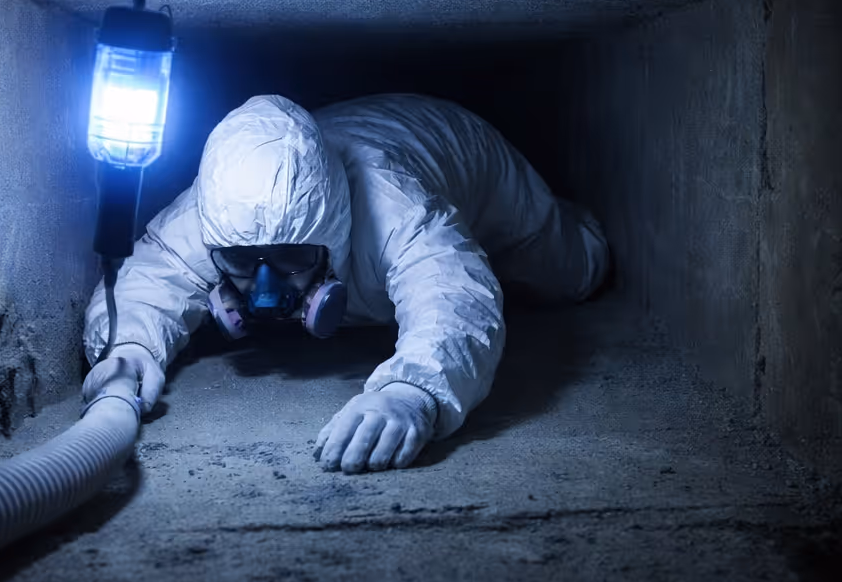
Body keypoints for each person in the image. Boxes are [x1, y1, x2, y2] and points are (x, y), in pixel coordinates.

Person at [81, 93, 609, 473]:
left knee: (574, 271)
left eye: (291, 257)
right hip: (346, 137)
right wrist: (131, 348)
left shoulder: (394, 205)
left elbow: (453, 294)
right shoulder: (219, 210)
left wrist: (412, 392)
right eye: (242, 261)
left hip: (458, 144)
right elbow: (150, 279)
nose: (264, 290)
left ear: (332, 232)